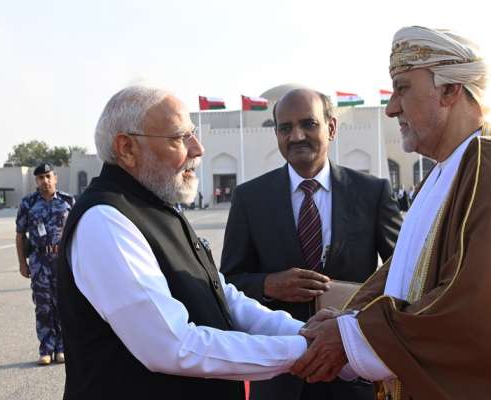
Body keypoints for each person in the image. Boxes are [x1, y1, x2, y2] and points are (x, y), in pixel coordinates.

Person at [290, 26, 491, 400]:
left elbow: (475, 303)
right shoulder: (445, 171)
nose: (391, 108)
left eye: (402, 89)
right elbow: (405, 269)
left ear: (450, 90)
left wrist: (357, 335)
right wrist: (350, 317)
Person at [56, 86, 311, 400]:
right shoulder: (105, 221)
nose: (198, 149)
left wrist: (302, 330)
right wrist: (304, 350)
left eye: (193, 134)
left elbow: (221, 296)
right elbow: (172, 346)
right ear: (127, 148)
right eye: (180, 137)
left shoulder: (158, 208)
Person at [220, 88, 402, 400]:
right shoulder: (250, 198)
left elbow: (402, 273)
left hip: (351, 372)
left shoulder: (371, 193)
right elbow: (227, 283)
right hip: (281, 377)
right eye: (285, 128)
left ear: (331, 127)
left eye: (308, 124)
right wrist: (268, 285)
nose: (297, 136)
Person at [15, 163, 74, 365]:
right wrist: (22, 263)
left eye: (48, 176)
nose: (45, 181)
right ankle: (46, 349)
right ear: (36, 181)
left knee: (63, 304)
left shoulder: (68, 201)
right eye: (41, 177)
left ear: (55, 177)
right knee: (43, 306)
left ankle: (62, 347)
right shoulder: (28, 203)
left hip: (62, 261)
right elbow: (20, 235)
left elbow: (78, 231)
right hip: (39, 261)